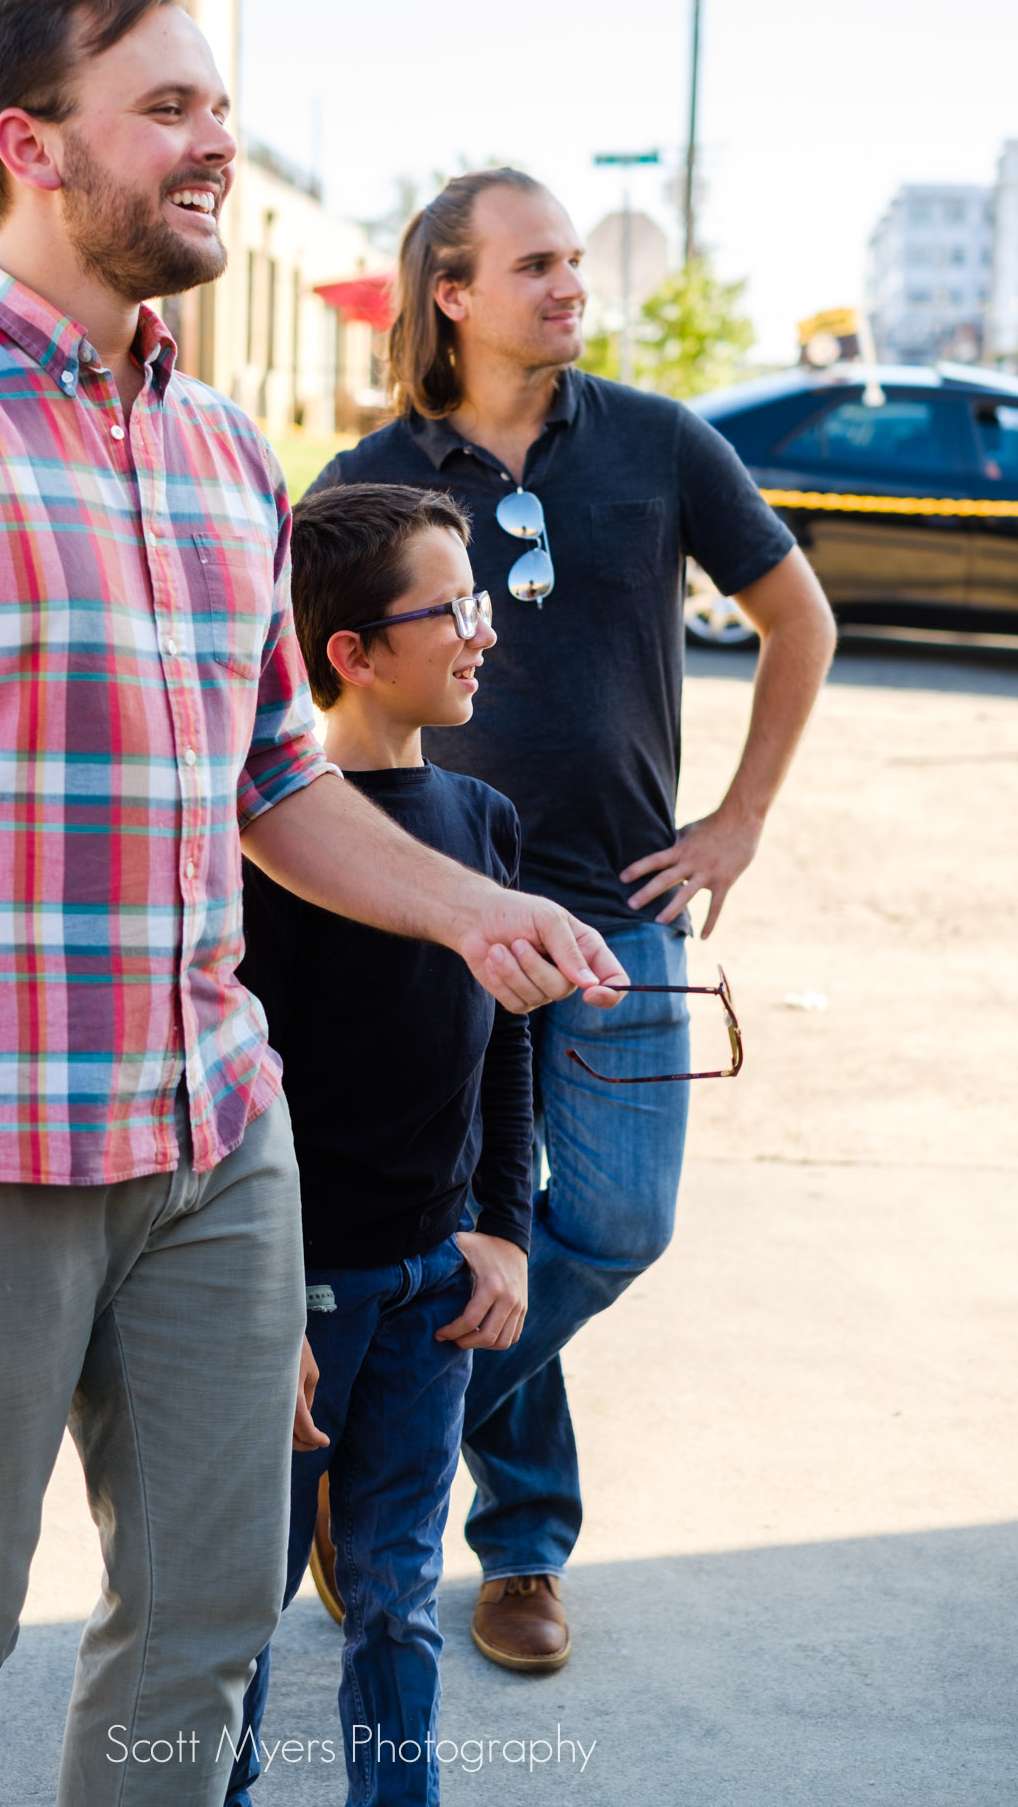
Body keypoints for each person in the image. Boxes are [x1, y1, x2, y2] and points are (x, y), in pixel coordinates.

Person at [0, 0, 626, 1807]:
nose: (218, 139)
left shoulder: (227, 455)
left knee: (210, 1607)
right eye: (167, 109)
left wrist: (472, 914)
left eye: (219, 103)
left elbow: (273, 785)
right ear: (32, 147)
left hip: (217, 1130)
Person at [311, 167, 837, 1673]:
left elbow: (798, 618)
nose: (569, 285)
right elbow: (309, 681)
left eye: (570, 263)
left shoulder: (661, 444)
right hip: (429, 917)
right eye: (534, 263)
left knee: (611, 1220)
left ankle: (385, 1427)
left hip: (618, 915)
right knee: (476, 1221)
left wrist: (735, 820)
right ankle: (523, 1546)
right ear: (451, 294)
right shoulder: (369, 474)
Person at [224, 483, 533, 1807]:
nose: (484, 634)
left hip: (427, 1294)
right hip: (294, 1296)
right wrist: (257, 1305)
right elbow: (250, 1085)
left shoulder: (481, 824)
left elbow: (507, 1049)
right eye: (452, 608)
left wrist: (502, 1232)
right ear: (347, 652)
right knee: (229, 1614)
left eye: (481, 600)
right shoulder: (273, 850)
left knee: (399, 1597)